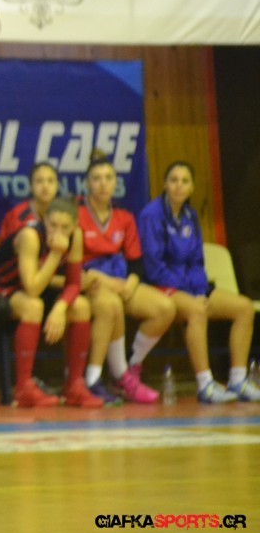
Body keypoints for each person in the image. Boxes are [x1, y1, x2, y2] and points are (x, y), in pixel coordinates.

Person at [138, 161, 259, 402]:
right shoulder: (151, 215)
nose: (178, 186)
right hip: (162, 287)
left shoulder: (190, 215)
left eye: (185, 181)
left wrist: (200, 291)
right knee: (197, 311)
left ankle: (238, 379)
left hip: (191, 287)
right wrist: (191, 293)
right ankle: (205, 385)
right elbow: (154, 267)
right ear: (164, 184)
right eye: (173, 180)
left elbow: (196, 261)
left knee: (244, 308)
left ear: (192, 187)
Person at [0, 198, 103, 409]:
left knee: (81, 306)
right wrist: (56, 254)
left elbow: (74, 283)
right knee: (33, 305)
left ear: (75, 225)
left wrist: (60, 309)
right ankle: (23, 387)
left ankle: (75, 385)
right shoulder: (31, 235)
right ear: (43, 220)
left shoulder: (76, 236)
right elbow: (32, 288)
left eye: (65, 227)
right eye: (53, 225)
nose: (58, 232)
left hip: (35, 286)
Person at [78, 154, 175, 404]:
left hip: (120, 279)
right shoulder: (76, 214)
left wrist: (131, 282)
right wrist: (105, 282)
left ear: (116, 182)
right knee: (111, 305)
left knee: (165, 308)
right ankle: (100, 377)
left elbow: (136, 262)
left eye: (108, 178)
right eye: (96, 178)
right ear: (87, 183)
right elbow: (70, 264)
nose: (103, 184)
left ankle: (131, 367)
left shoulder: (124, 217)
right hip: (89, 281)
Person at [0, 162, 60, 241]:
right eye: (39, 181)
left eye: (50, 181)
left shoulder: (66, 214)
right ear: (31, 186)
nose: (45, 186)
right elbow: (5, 246)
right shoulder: (16, 216)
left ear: (57, 185)